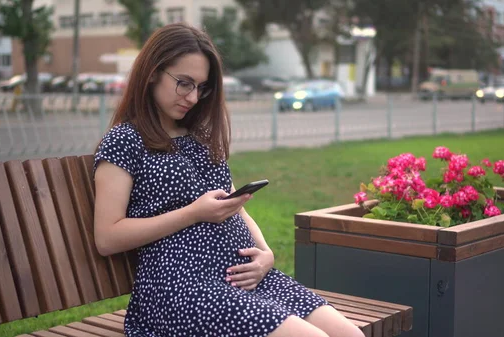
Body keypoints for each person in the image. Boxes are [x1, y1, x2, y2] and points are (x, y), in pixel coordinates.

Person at [93, 22, 365, 337]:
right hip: (182, 287)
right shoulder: (125, 140)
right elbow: (107, 237)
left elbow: (238, 209)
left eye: (201, 87)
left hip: (245, 278)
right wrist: (193, 212)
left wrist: (266, 254)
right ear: (152, 72)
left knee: (351, 335)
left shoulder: (199, 138)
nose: (193, 97)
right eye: (184, 83)